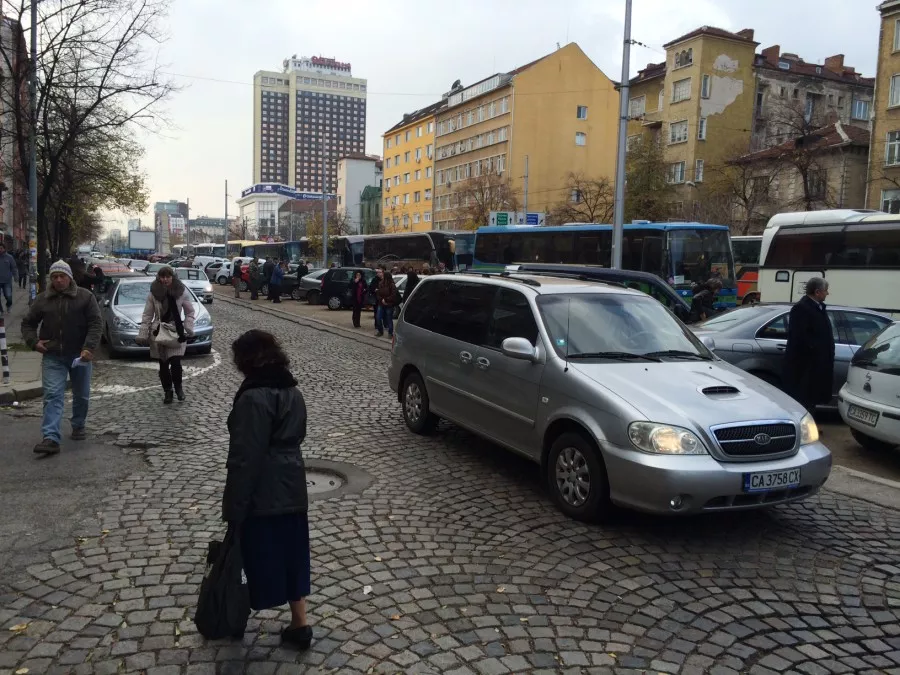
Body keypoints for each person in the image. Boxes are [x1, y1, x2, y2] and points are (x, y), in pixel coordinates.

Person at [222, 329, 312, 649]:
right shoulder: (292, 390)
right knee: (293, 556)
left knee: (248, 557)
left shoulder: (253, 397)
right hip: (293, 486)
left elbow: (246, 457)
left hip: (262, 494)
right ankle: (300, 623)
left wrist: (234, 506)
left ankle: (231, 616)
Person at [21, 260, 101, 455]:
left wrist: (88, 348)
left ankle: (78, 424)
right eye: (54, 277)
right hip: (53, 355)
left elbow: (95, 323)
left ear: (69, 278)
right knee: (52, 395)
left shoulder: (85, 297)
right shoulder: (43, 300)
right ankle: (50, 438)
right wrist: (34, 342)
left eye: (62, 276)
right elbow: (28, 323)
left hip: (80, 355)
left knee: (81, 394)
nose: (58, 280)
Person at [137, 266, 196, 405]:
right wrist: (143, 332)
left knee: (176, 362)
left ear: (172, 277)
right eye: (162, 277)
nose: (165, 280)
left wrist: (188, 326)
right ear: (159, 277)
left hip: (176, 331)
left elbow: (190, 312)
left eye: (168, 277)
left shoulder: (181, 292)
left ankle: (179, 388)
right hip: (159, 332)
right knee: (163, 365)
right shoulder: (153, 294)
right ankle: (168, 391)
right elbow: (147, 314)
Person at [784, 277, 835, 413]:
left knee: (813, 396)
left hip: (817, 363)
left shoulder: (819, 307)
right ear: (817, 292)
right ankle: (806, 425)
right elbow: (799, 336)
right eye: (826, 291)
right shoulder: (801, 308)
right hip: (807, 364)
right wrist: (815, 349)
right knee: (804, 396)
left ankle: (811, 422)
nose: (827, 294)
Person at [374, 267, 398, 338]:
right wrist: (382, 300)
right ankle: (380, 331)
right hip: (381, 303)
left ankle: (390, 333)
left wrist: (386, 300)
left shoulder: (392, 285)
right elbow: (378, 293)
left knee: (389, 319)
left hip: (389, 304)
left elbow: (393, 295)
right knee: (378, 318)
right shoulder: (380, 283)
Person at [0, 243, 17, 315]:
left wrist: (16, 276)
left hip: (7, 281)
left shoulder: (9, 257)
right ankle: (1, 310)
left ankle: (8, 305)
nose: (0, 250)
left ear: (4, 249)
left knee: (9, 297)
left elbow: (14, 268)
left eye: (1, 248)